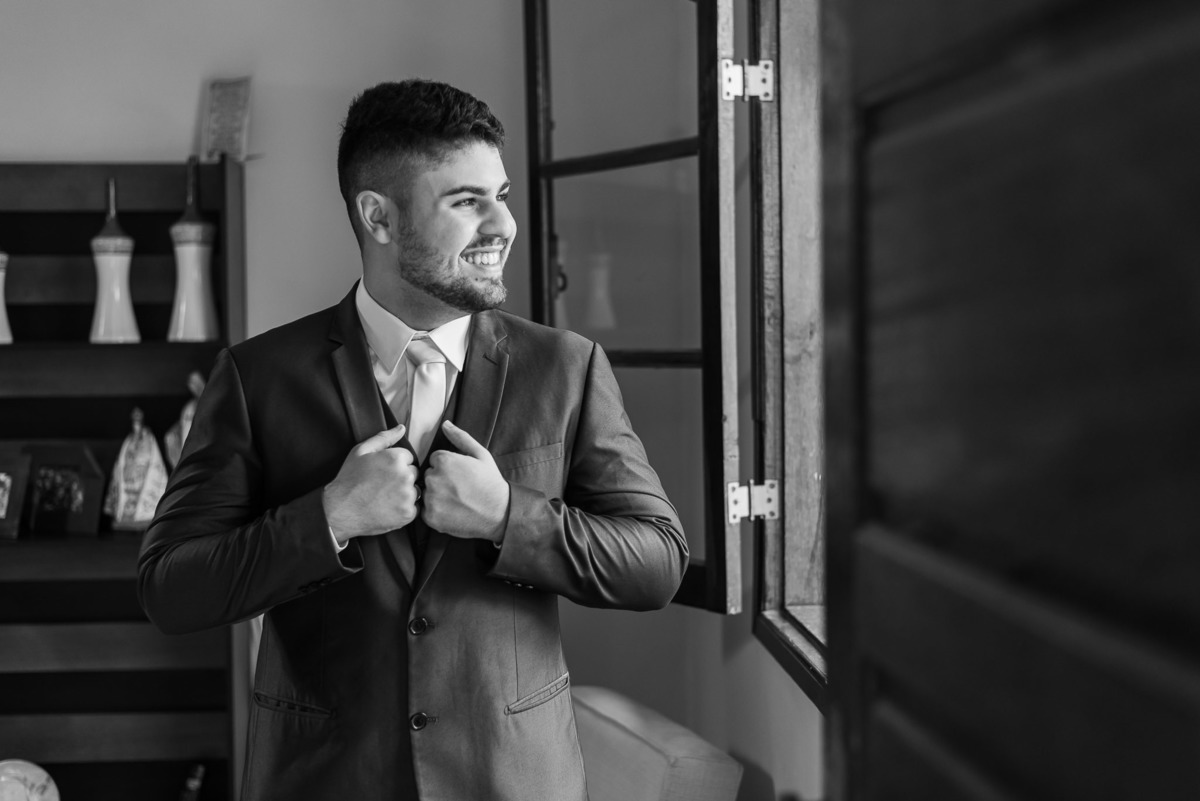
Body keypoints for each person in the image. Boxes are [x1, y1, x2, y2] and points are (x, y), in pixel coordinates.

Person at [137, 79, 687, 800]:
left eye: (502, 194)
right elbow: (171, 588)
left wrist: (507, 517)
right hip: (325, 782)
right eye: (466, 201)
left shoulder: (565, 367)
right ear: (380, 217)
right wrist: (327, 519)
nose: (504, 225)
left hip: (511, 780)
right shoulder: (256, 378)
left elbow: (658, 562)